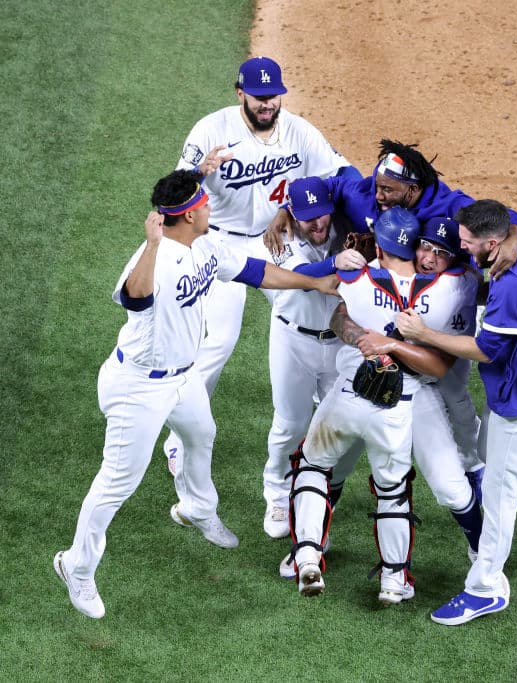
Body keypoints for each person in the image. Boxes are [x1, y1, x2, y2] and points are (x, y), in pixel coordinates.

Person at [53, 170, 342, 619]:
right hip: (139, 388)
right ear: (188, 214)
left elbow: (255, 270)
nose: (211, 207)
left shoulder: (203, 244)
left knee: (201, 433)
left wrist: (315, 281)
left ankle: (196, 507)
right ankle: (77, 564)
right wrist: (150, 245)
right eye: (205, 203)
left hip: (181, 379)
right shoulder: (154, 258)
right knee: (116, 483)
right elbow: (135, 297)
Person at [163, 56, 359, 475]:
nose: (267, 104)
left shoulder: (299, 131)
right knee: (219, 341)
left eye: (273, 97)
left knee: (318, 304)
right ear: (241, 94)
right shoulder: (210, 129)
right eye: (259, 97)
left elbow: (339, 172)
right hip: (219, 242)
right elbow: (173, 192)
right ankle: (179, 439)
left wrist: (290, 206)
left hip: (274, 241)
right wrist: (200, 172)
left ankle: (315, 397)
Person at [396, 199, 517, 626]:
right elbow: (513, 216)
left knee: (498, 494)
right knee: (491, 454)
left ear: (492, 244)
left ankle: (486, 589)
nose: (461, 248)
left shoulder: (513, 287)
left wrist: (425, 334)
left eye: (467, 243)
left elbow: (485, 350)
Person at [286, 207, 476, 604]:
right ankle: (393, 580)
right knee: (392, 492)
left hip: (349, 395)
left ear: (381, 245)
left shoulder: (357, 277)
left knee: (313, 466)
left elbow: (334, 308)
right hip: (398, 407)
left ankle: (306, 556)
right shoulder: (453, 289)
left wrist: (344, 263)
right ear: (414, 247)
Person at [266, 139, 517, 278]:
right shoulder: (362, 194)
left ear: (412, 190)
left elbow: (500, 216)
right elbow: (322, 188)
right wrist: (285, 208)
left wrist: (512, 236)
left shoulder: (448, 205)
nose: (378, 195)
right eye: (377, 185)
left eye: (388, 190)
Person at [261, 176, 349, 538]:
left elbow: (350, 177)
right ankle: (278, 493)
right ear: (292, 214)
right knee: (289, 425)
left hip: (340, 344)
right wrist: (338, 262)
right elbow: (297, 274)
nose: (318, 224)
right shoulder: (276, 237)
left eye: (323, 214)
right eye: (309, 217)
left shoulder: (345, 225)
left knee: (335, 428)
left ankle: (318, 495)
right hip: (292, 339)